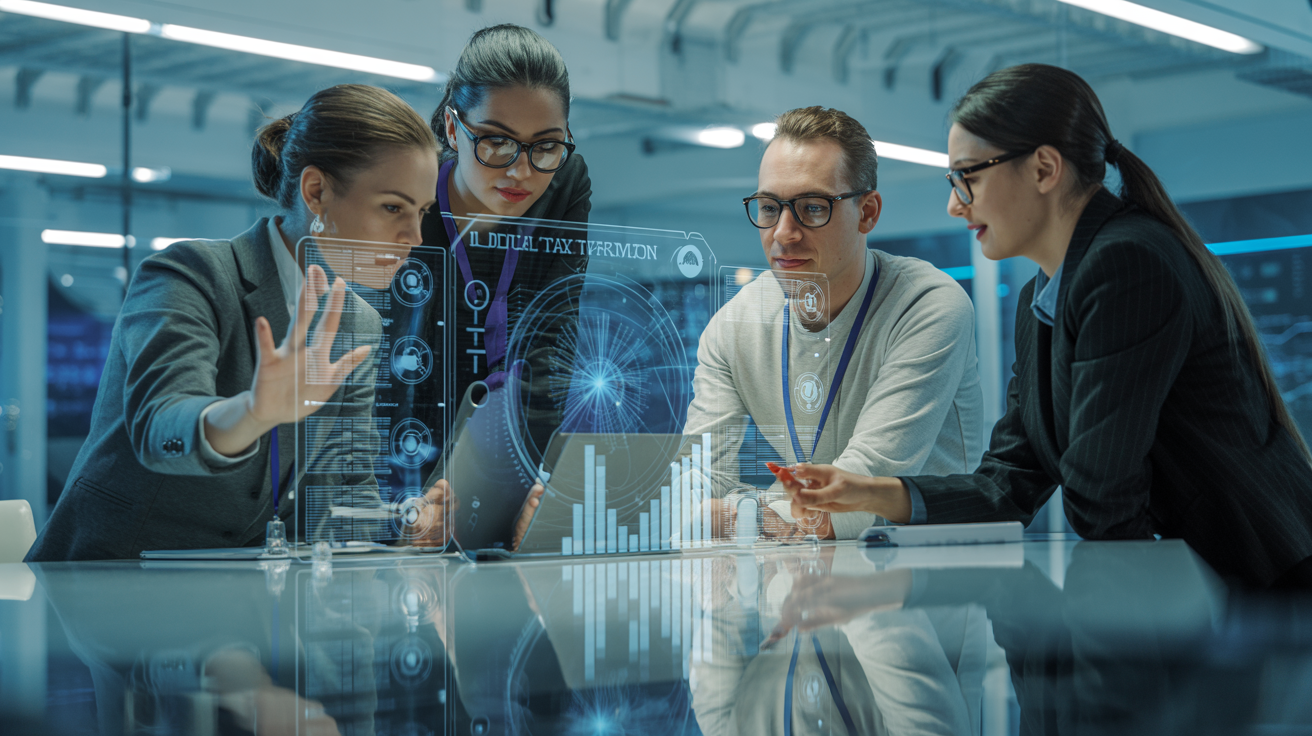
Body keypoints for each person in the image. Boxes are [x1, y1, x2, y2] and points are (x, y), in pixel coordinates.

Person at [780, 64, 1312, 589]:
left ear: (1043, 169)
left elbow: (1101, 493)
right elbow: (1008, 482)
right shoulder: (1042, 297)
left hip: (1264, 584)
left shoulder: (1127, 263)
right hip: (1205, 588)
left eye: (968, 177)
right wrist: (868, 492)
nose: (954, 204)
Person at [26, 84, 439, 561]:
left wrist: (404, 522)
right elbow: (160, 430)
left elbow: (342, 491)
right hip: (106, 575)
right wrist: (252, 413)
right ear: (316, 192)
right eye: (393, 208)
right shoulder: (191, 274)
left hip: (233, 589)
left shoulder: (358, 323)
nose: (414, 236)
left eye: (421, 212)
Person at [684, 106, 984, 542]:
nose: (783, 233)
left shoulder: (927, 305)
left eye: (811, 207)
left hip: (932, 569)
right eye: (769, 207)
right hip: (806, 571)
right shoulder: (734, 325)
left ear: (867, 212)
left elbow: (862, 492)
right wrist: (730, 513)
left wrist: (741, 512)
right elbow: (692, 488)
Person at [397, 24, 592, 549]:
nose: (521, 170)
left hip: (514, 442)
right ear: (452, 127)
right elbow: (396, 375)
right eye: (496, 141)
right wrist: (409, 497)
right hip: (415, 449)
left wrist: (532, 480)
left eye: (545, 146)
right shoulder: (411, 199)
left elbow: (551, 341)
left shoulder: (565, 182)